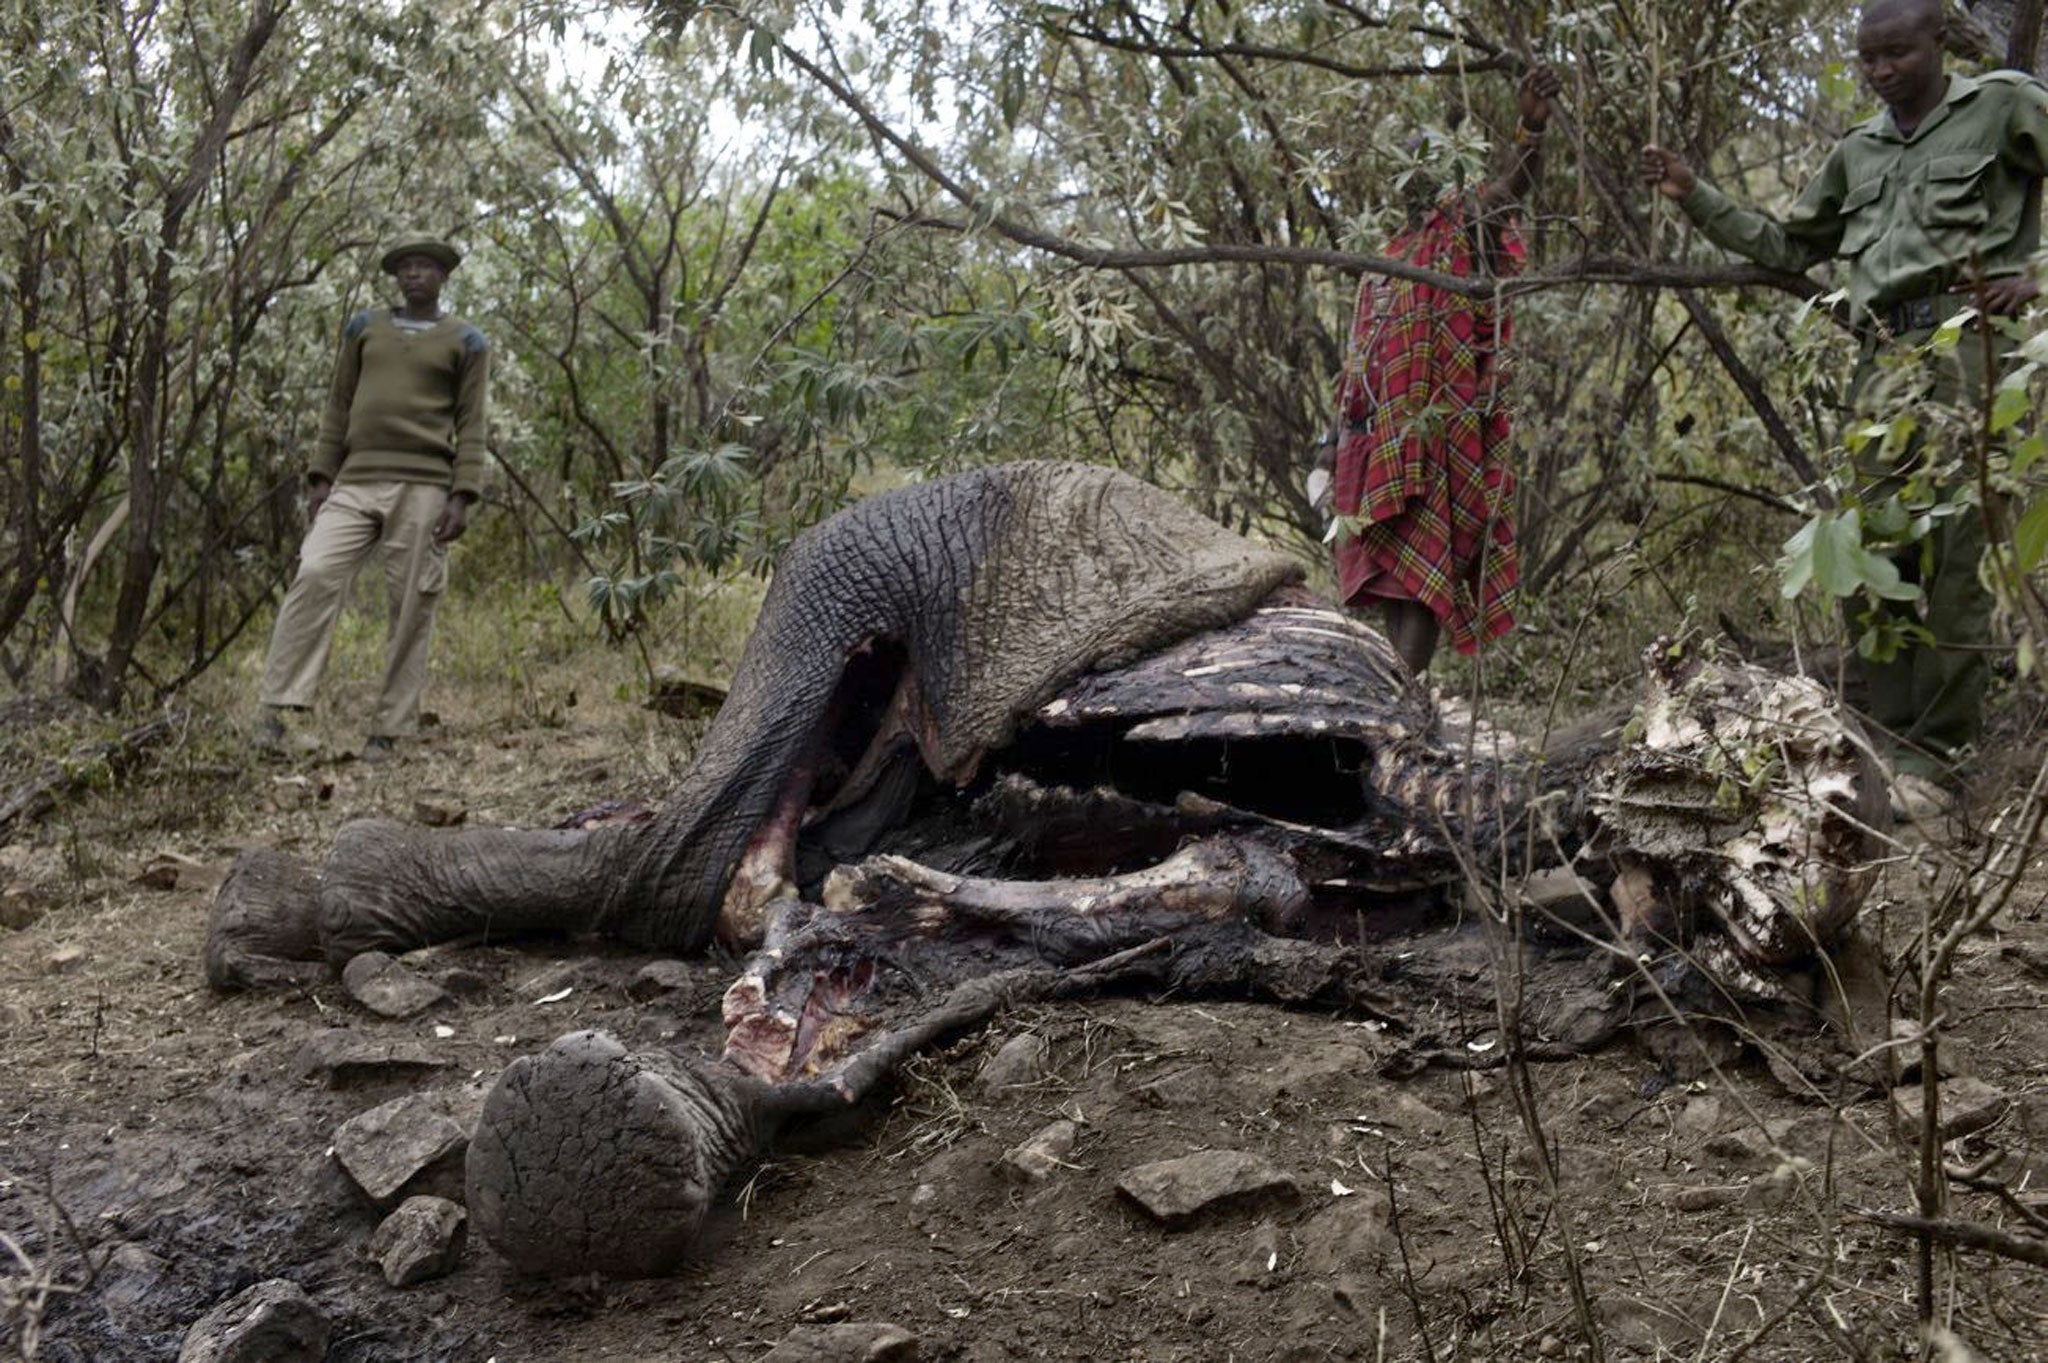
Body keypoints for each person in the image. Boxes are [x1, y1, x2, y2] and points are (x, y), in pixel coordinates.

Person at [1641, 0, 2048, 813]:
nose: (1880, 71)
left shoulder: (2003, 105)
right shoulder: (1857, 151)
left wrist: (2041, 277)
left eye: (1896, 53)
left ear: (1940, 42)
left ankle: (1938, 763)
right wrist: (1695, 195)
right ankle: (1885, 748)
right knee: (1871, 556)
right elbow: (1793, 244)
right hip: (1881, 365)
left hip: (1976, 352)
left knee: (1963, 556)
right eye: (1867, 59)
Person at [1314, 63, 1562, 678]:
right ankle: (1403, 700)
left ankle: (1407, 698)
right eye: (1406, 167)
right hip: (1376, 436)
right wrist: (1329, 446)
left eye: (1426, 165)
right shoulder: (1387, 256)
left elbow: (1512, 191)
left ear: (1445, 171)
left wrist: (1530, 132)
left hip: (1439, 436)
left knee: (1421, 574)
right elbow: (1360, 358)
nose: (1414, 179)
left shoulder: (1462, 227)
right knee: (1394, 573)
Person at [253, 233, 490, 762]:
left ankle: (390, 728)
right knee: (314, 571)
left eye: (425, 266)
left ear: (443, 276)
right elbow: (338, 404)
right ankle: (280, 707)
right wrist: (321, 476)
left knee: (411, 602)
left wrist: (463, 494)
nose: (414, 275)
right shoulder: (365, 328)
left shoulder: (467, 341)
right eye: (406, 266)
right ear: (395, 276)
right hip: (356, 479)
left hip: (426, 483)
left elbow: (472, 421)